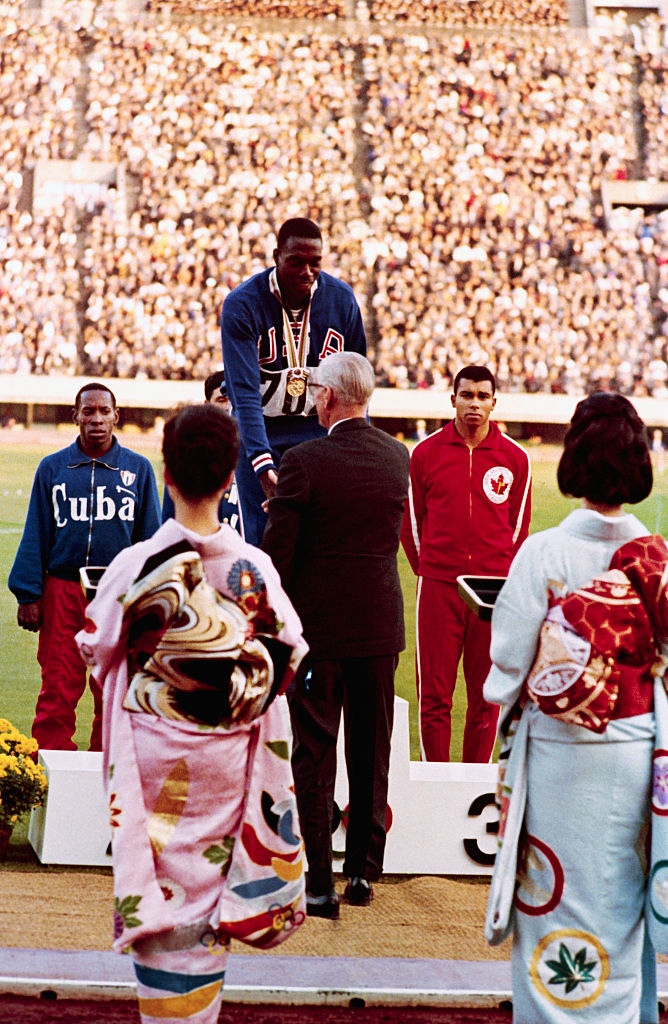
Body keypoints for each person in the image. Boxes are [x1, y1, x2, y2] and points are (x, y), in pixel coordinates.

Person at [75, 404, 308, 1024]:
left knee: (161, 890)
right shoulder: (252, 569)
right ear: (231, 476)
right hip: (228, 759)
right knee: (211, 892)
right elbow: (290, 656)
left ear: (166, 475)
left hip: (153, 752)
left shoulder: (136, 565)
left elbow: (99, 647)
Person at [483, 392, 662, 1024]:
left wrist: (511, 715)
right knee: (622, 900)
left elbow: (508, 659)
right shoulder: (657, 559)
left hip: (560, 751)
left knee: (550, 899)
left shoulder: (545, 553)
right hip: (638, 745)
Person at [263, 352, 409, 919]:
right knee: (371, 755)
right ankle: (363, 873)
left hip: (320, 633)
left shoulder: (303, 461)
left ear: (327, 397)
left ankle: (318, 883)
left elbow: (279, 555)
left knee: (315, 756)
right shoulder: (398, 457)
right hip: (378, 626)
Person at [8, 383, 161, 752]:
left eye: (103, 412)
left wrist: (150, 600)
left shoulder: (138, 470)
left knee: (114, 690)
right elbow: (36, 531)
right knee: (57, 689)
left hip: (116, 594)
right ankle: (53, 782)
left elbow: (150, 541)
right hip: (62, 589)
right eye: (88, 412)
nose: (96, 419)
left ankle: (106, 778)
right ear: (75, 416)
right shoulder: (53, 468)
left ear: (116, 416)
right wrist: (29, 593)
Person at [401, 365, 532, 763]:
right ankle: (434, 783)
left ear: (494, 402)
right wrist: (435, 569)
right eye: (466, 395)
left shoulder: (515, 458)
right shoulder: (424, 454)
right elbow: (412, 524)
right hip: (439, 587)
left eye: (482, 396)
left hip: (493, 595)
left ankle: (474, 787)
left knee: (487, 694)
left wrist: (496, 574)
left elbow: (517, 531)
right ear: (452, 399)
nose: (474, 403)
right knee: (434, 697)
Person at [221, 216, 367, 546]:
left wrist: (356, 450)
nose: (306, 272)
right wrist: (262, 465)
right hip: (261, 434)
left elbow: (357, 387)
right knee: (262, 545)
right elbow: (244, 394)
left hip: (317, 434)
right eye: (295, 262)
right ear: (276, 257)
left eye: (315, 263)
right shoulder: (242, 304)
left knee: (320, 544)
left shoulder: (341, 299)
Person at [161, 370, 244, 535]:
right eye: (221, 400)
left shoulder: (257, 454)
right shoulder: (189, 451)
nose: (228, 406)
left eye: (233, 400)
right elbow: (170, 520)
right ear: (207, 404)